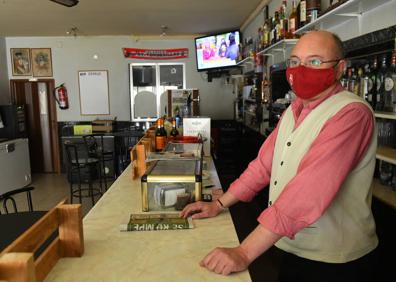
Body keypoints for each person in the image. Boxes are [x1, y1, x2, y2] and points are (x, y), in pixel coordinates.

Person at [181, 30, 378, 282]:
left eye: (315, 61)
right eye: (295, 61)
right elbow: (262, 167)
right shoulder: (294, 109)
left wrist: (244, 252)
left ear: (340, 68)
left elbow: (307, 192)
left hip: (336, 258)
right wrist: (218, 204)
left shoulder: (351, 113)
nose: (302, 69)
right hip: (293, 244)